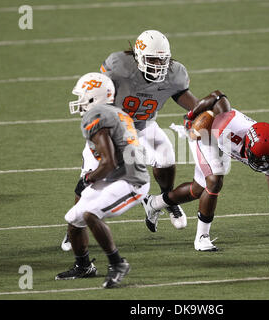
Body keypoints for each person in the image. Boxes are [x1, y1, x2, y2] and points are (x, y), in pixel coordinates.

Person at [61, 30, 199, 251]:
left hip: (144, 126)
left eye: (163, 59)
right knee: (89, 176)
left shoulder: (174, 74)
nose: (159, 64)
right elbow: (100, 91)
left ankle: (165, 200)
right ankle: (75, 228)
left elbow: (189, 100)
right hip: (112, 129)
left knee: (166, 156)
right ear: (138, 56)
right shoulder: (119, 67)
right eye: (153, 59)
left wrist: (203, 113)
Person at [143, 90, 269, 251]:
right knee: (214, 181)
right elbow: (218, 97)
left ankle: (155, 203)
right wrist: (192, 116)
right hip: (208, 134)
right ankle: (202, 237)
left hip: (223, 144)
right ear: (247, 145)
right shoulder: (227, 127)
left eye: (266, 160)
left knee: (198, 190)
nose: (262, 164)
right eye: (257, 158)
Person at [55, 72, 150, 288]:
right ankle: (84, 266)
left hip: (131, 180)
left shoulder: (97, 115)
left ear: (93, 97)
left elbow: (108, 162)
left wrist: (88, 178)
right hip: (117, 174)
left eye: (82, 96)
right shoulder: (114, 112)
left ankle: (118, 264)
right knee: (74, 218)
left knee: (91, 214)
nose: (79, 101)